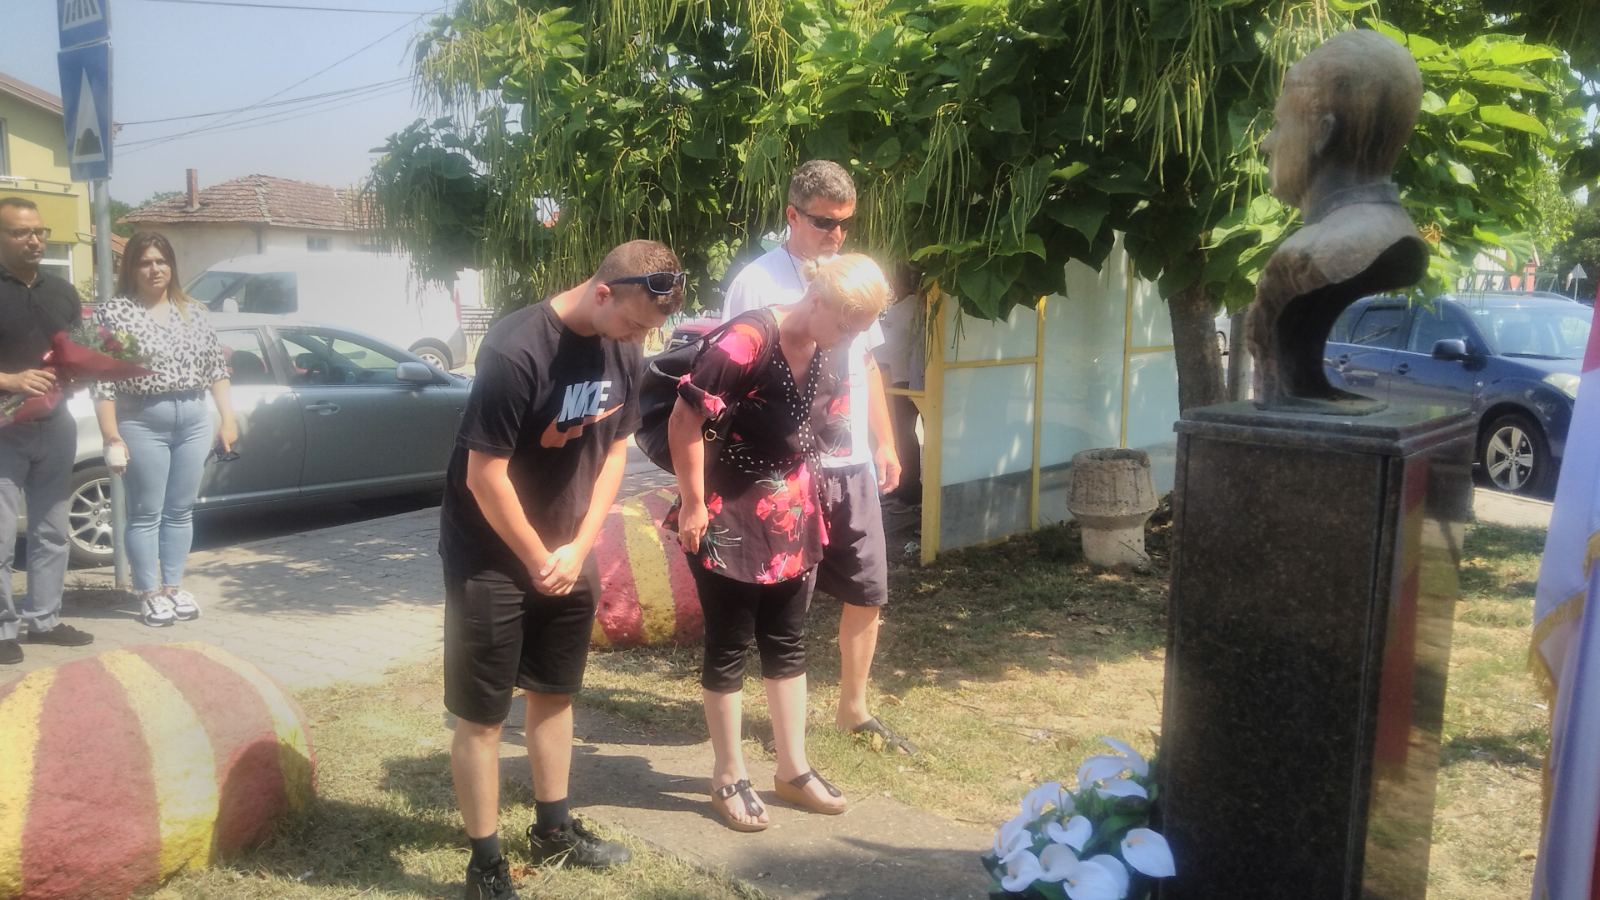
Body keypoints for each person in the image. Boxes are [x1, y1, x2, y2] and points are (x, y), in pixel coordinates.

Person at [439, 240, 683, 900]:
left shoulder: (625, 347)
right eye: (632, 324)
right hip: (489, 555)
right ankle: (485, 865)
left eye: (646, 332)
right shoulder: (515, 349)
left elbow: (615, 452)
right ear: (603, 292)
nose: (636, 341)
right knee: (483, 715)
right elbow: (484, 476)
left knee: (553, 692)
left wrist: (579, 547)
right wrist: (536, 556)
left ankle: (553, 828)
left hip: (568, 550)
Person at [673, 253, 892, 831]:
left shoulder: (827, 345)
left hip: (791, 511)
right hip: (724, 512)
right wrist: (691, 503)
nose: (849, 339)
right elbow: (684, 420)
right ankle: (728, 776)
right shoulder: (746, 339)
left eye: (858, 330)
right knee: (729, 644)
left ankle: (793, 770)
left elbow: (824, 430)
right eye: (845, 325)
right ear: (816, 300)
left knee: (787, 640)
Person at [720, 160, 917, 754]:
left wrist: (885, 441)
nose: (835, 234)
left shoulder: (854, 277)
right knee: (788, 600)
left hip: (851, 461)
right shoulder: (757, 282)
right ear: (792, 215)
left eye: (844, 224)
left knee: (868, 587)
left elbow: (868, 361)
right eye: (824, 222)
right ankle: (786, 718)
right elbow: (729, 376)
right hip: (789, 469)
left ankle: (854, 710)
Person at [93, 231, 236, 627]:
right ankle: (149, 593)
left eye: (161, 261)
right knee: (145, 512)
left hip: (193, 417)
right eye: (145, 262)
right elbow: (101, 382)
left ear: (171, 265)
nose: (154, 269)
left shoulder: (194, 311)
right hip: (142, 420)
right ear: (131, 268)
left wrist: (227, 418)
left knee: (180, 509)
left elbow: (216, 370)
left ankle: (173, 587)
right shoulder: (113, 313)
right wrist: (111, 435)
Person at [0, 197, 95, 665]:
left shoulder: (62, 290)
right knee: (0, 536)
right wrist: (11, 380)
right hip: (3, 428)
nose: (35, 240)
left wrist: (83, 373)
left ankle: (44, 619)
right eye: (21, 232)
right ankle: (2, 627)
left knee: (52, 530)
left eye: (39, 231)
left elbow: (76, 350)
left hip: (56, 424)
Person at [874, 263, 925, 508]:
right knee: (898, 434)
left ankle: (912, 487)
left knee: (905, 434)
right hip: (892, 377)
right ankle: (902, 483)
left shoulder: (914, 306)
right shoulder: (897, 306)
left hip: (906, 378)